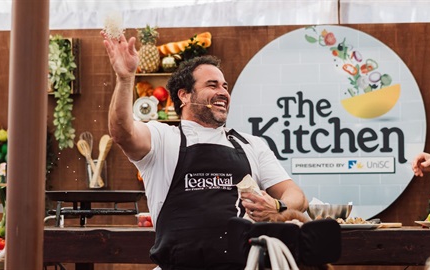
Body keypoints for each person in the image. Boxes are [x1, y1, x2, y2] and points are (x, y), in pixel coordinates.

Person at [101, 32, 308, 269]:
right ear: (184, 95)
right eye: (212, 85)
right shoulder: (163, 138)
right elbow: (122, 132)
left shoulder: (251, 144)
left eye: (225, 86)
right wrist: (125, 79)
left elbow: (296, 196)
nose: (223, 92)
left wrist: (277, 206)